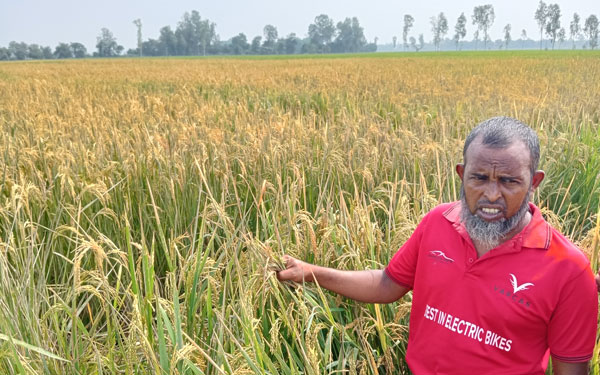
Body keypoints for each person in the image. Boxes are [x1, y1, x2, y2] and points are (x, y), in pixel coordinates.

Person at [277, 117, 598, 375]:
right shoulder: (437, 222)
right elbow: (388, 284)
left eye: (508, 181)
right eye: (479, 177)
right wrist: (310, 272)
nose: (490, 194)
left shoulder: (569, 271)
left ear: (535, 182)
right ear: (461, 175)